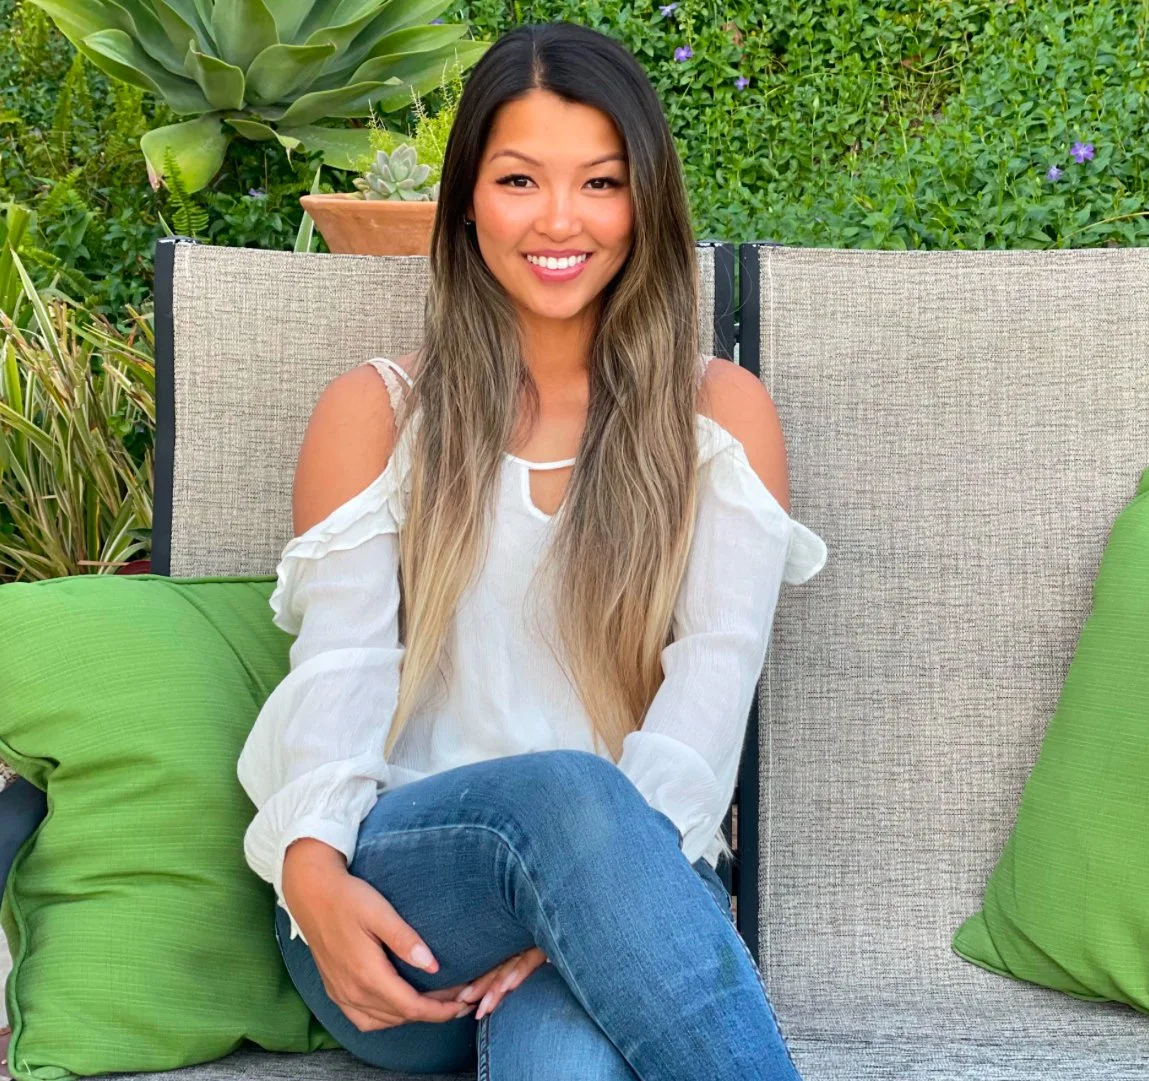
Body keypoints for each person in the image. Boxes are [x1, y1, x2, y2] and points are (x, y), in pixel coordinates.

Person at [235, 20, 827, 1080]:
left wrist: (587, 905)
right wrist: (312, 877)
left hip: (636, 881)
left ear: (646, 202)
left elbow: (709, 699)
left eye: (601, 183)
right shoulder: (376, 413)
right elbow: (339, 677)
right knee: (567, 792)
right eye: (519, 180)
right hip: (402, 908)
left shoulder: (719, 419)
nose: (560, 219)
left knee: (565, 1059)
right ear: (467, 198)